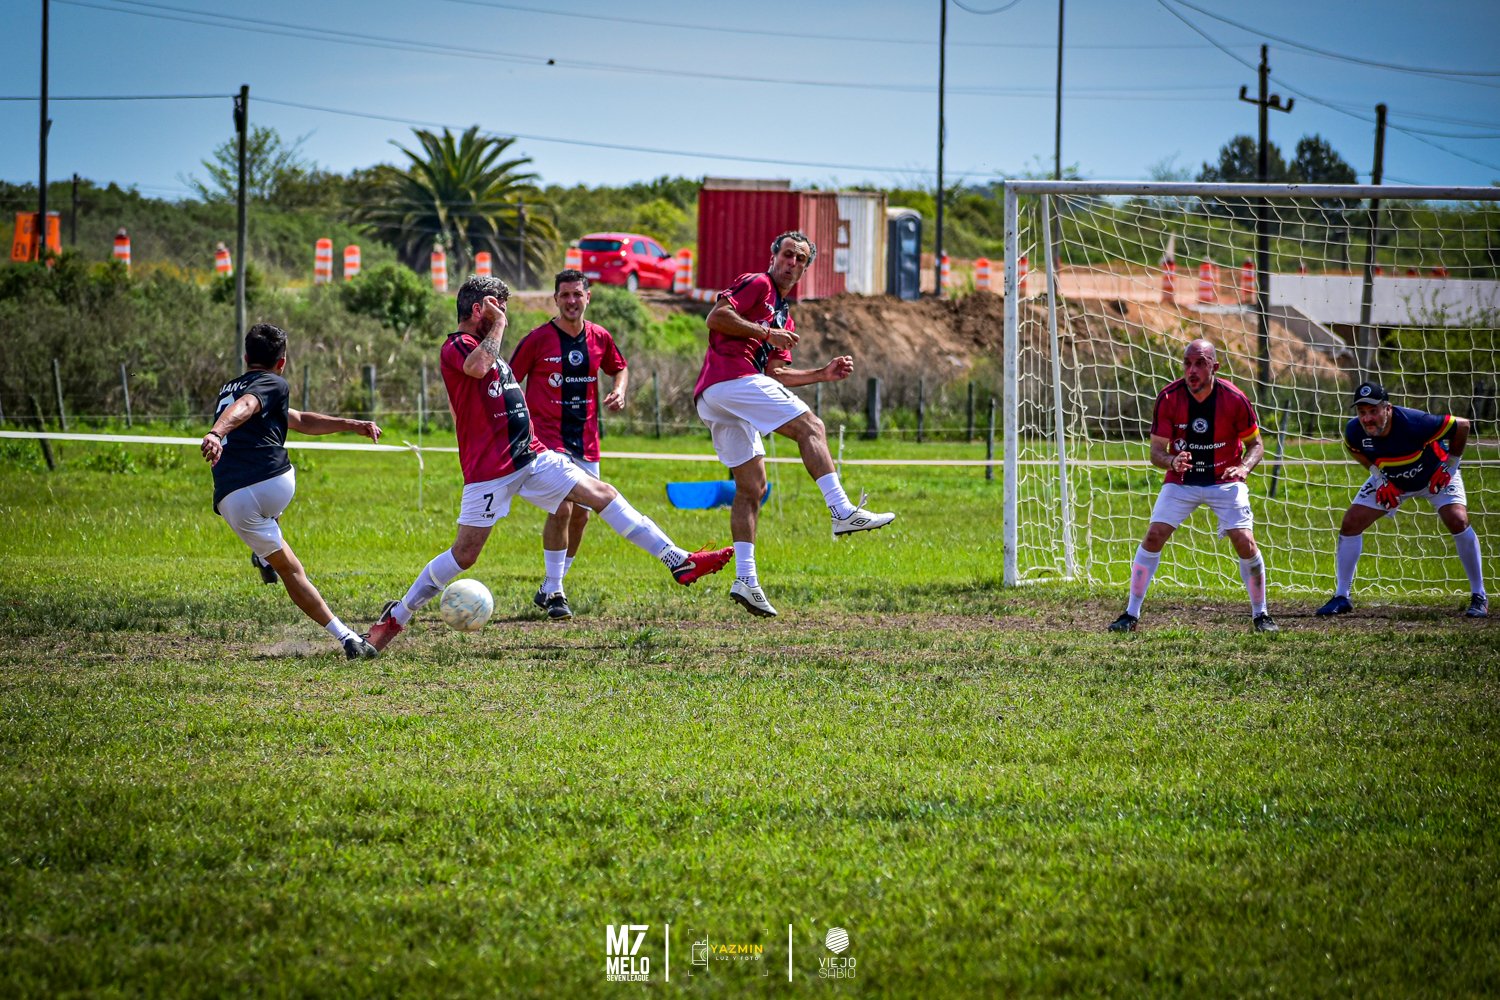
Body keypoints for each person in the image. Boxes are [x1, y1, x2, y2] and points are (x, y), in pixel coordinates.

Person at [364, 274, 731, 650]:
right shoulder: (457, 345)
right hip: (491, 471)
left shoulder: (489, 346)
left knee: (602, 494)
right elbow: (476, 368)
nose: (504, 314)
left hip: (533, 455)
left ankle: (677, 559)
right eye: (498, 307)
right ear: (478, 309)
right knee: (464, 555)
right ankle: (398, 615)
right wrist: (499, 324)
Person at [693, 230, 895, 619]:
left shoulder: (785, 314)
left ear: (805, 269)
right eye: (787, 254)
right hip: (730, 380)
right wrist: (766, 332)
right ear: (773, 256)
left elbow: (777, 374)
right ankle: (841, 511)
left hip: (717, 398)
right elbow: (716, 317)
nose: (792, 262)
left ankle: (745, 580)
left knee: (752, 488)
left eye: (800, 259)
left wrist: (823, 374)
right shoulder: (758, 284)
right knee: (812, 427)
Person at [201, 323, 383, 660]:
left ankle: (346, 638)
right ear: (282, 362)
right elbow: (248, 405)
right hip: (271, 480)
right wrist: (216, 432)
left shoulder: (229, 388)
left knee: (289, 570)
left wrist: (350, 424)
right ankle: (346, 637)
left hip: (231, 498)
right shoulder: (272, 382)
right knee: (291, 564)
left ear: (245, 357)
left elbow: (297, 419)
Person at [1108, 338, 1277, 633]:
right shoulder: (1169, 397)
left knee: (1245, 541)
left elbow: (1257, 445)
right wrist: (1172, 461)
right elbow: (1156, 453)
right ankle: (1130, 614)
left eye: (1200, 363)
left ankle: (1261, 615)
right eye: (1187, 363)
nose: (1192, 370)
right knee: (1153, 536)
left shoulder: (1234, 398)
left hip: (1224, 479)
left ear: (1215, 366)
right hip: (1182, 480)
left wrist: (1244, 467)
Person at [508, 268, 629, 620]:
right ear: (555, 299)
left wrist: (619, 390)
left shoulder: (600, 337)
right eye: (565, 295)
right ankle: (557, 590)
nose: (572, 301)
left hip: (586, 440)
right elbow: (510, 381)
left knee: (582, 516)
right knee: (561, 508)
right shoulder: (537, 340)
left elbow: (619, 367)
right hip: (546, 441)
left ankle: (550, 585)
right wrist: (517, 423)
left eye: (577, 294)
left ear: (587, 297)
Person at [1315, 382, 1487, 618]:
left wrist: (1450, 466)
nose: (1367, 419)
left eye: (1373, 411)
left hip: (1435, 475)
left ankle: (1479, 595)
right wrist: (1379, 478)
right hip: (1392, 481)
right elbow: (1354, 449)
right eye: (1362, 412)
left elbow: (1463, 425)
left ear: (1388, 408)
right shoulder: (1355, 430)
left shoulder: (1415, 422)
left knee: (1457, 519)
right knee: (1351, 523)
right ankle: (1341, 596)